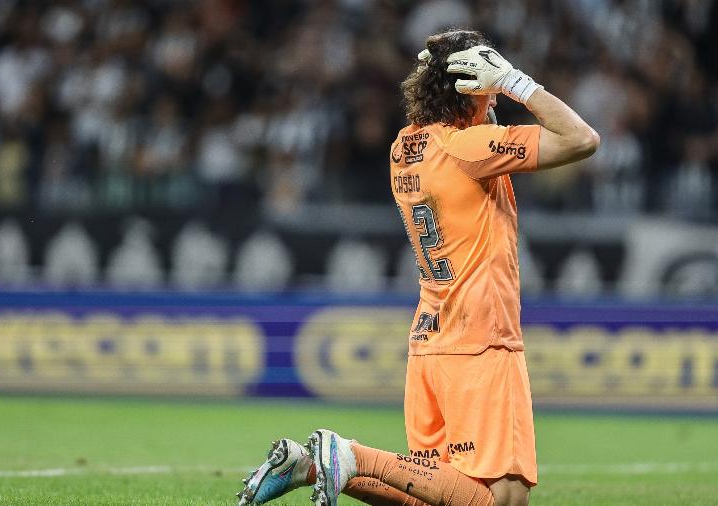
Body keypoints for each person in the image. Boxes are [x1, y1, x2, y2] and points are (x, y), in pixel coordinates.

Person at [237, 29, 598, 506]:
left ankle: (309, 466)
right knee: (503, 500)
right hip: (481, 340)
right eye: (486, 87)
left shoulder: (404, 147)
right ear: (471, 88)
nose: (493, 99)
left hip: (430, 340)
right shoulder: (472, 149)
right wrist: (516, 81)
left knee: (434, 492)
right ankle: (350, 455)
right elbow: (582, 140)